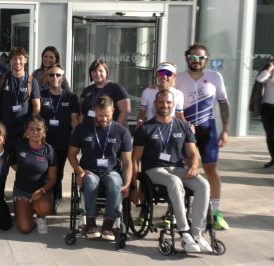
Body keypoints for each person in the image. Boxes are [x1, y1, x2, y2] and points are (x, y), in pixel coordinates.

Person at [131, 90, 212, 253]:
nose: (165, 105)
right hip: (154, 170)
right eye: (161, 102)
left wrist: (195, 166)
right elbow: (135, 160)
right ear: (155, 104)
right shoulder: (145, 128)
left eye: (168, 102)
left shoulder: (183, 126)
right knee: (174, 182)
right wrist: (134, 187)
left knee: (203, 184)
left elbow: (193, 153)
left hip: (178, 168)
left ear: (173, 104)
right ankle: (184, 232)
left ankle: (197, 233)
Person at [176, 43, 230, 230]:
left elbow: (223, 104)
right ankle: (178, 212)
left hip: (208, 129)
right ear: (186, 58)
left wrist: (226, 130)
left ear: (206, 59)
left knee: (211, 170)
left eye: (200, 57)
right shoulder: (179, 78)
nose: (196, 61)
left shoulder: (215, 77)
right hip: (185, 131)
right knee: (183, 170)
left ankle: (216, 212)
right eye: (192, 57)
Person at [67, 96, 132, 241]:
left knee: (115, 182)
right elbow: (71, 154)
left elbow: (127, 162)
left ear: (113, 111)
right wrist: (79, 171)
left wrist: (127, 184)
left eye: (107, 115)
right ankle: (90, 223)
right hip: (90, 170)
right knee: (90, 180)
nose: (104, 119)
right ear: (95, 111)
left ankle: (108, 225)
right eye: (101, 115)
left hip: (111, 171)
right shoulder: (82, 129)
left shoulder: (122, 132)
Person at [40, 64, 80, 209]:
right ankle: (44, 197)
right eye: (51, 75)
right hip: (44, 142)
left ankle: (56, 198)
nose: (55, 78)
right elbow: (36, 117)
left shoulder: (71, 97)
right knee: (44, 171)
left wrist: (74, 143)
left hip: (63, 142)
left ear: (62, 77)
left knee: (58, 172)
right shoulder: (42, 95)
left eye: (58, 75)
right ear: (47, 77)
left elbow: (75, 122)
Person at [11, 115, 56, 234]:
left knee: (44, 207)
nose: (35, 132)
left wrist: (41, 191)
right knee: (25, 229)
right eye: (31, 129)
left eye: (39, 129)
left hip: (40, 191)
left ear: (44, 131)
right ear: (26, 131)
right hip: (21, 191)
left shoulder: (49, 150)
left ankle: (41, 217)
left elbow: (53, 179)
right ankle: (28, 211)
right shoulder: (18, 144)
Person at [0, 47, 41, 142]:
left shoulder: (31, 81)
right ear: (11, 61)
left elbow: (37, 107)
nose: (17, 61)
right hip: (4, 130)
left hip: (23, 130)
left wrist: (30, 128)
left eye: (20, 58)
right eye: (14, 58)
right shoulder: (3, 78)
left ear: (25, 60)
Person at [80, 59, 131, 127]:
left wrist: (116, 129)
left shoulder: (116, 88)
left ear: (106, 72)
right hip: (91, 132)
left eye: (100, 71)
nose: (97, 74)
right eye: (94, 71)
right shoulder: (87, 90)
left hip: (110, 133)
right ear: (90, 73)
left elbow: (125, 111)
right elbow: (82, 114)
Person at [256, 57, 274, 168]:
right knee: (270, 136)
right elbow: (260, 79)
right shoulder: (267, 71)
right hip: (267, 107)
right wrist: (269, 69)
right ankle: (273, 158)